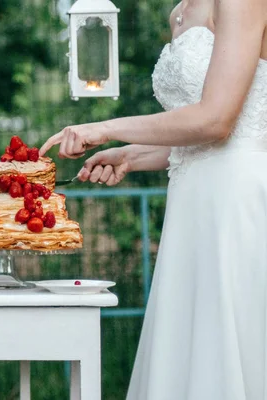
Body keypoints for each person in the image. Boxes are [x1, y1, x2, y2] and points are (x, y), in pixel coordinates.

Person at [41, 0, 267, 398]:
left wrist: (106, 129)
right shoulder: (181, 10)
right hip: (191, 205)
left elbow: (217, 120)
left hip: (236, 204)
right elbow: (194, 136)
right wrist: (130, 155)